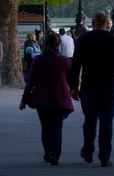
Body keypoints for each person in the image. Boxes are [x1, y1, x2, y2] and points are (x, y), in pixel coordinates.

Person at [69, 11, 114, 168]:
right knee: (106, 121)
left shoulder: (84, 39)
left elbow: (75, 65)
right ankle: (104, 155)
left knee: (89, 121)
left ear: (93, 23)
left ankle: (88, 152)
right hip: (109, 85)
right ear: (106, 23)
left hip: (89, 85)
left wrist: (74, 87)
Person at [19, 32, 74, 165]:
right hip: (60, 98)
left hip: (42, 98)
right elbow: (71, 80)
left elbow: (31, 81)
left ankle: (48, 152)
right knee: (57, 127)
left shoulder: (39, 60)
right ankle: (55, 153)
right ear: (58, 44)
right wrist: (75, 91)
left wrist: (24, 99)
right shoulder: (64, 61)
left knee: (46, 127)